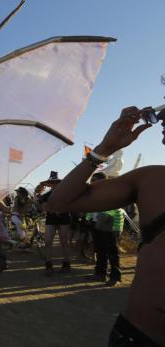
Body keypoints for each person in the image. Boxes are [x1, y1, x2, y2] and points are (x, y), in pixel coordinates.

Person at [43, 106, 164, 346]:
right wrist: (104, 150)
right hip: (134, 336)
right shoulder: (152, 179)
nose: (162, 121)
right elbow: (58, 202)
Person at [84, 172, 124, 287]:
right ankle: (100, 274)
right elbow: (91, 208)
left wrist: (117, 228)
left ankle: (115, 277)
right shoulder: (93, 194)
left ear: (103, 182)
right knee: (100, 250)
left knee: (112, 252)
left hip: (109, 226)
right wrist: (88, 218)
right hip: (96, 225)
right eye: (92, 180)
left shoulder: (112, 194)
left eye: (95, 180)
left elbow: (118, 212)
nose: (92, 183)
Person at [37, 171, 72, 276]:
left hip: (64, 219)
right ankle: (49, 265)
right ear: (49, 184)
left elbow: (70, 205)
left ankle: (66, 264)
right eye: (52, 182)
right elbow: (43, 208)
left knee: (64, 242)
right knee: (47, 242)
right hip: (51, 220)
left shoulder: (66, 194)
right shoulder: (46, 195)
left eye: (55, 182)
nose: (54, 184)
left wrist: (58, 209)